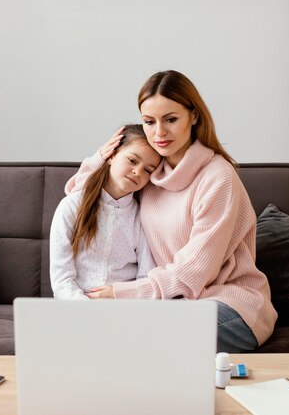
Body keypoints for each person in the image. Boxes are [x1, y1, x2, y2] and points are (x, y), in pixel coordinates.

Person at [65, 70, 277, 352]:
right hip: (172, 304)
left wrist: (120, 294)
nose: (159, 133)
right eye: (149, 122)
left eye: (171, 119)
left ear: (194, 116)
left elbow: (193, 273)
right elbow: (79, 198)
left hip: (230, 304)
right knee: (119, 335)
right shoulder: (149, 173)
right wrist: (100, 157)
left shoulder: (218, 177)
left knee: (144, 338)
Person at [50, 124, 162, 300]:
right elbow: (61, 281)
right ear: (112, 156)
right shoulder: (71, 207)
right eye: (132, 160)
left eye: (148, 170)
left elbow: (145, 277)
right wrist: (87, 308)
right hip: (75, 308)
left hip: (124, 310)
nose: (137, 171)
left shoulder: (142, 217)